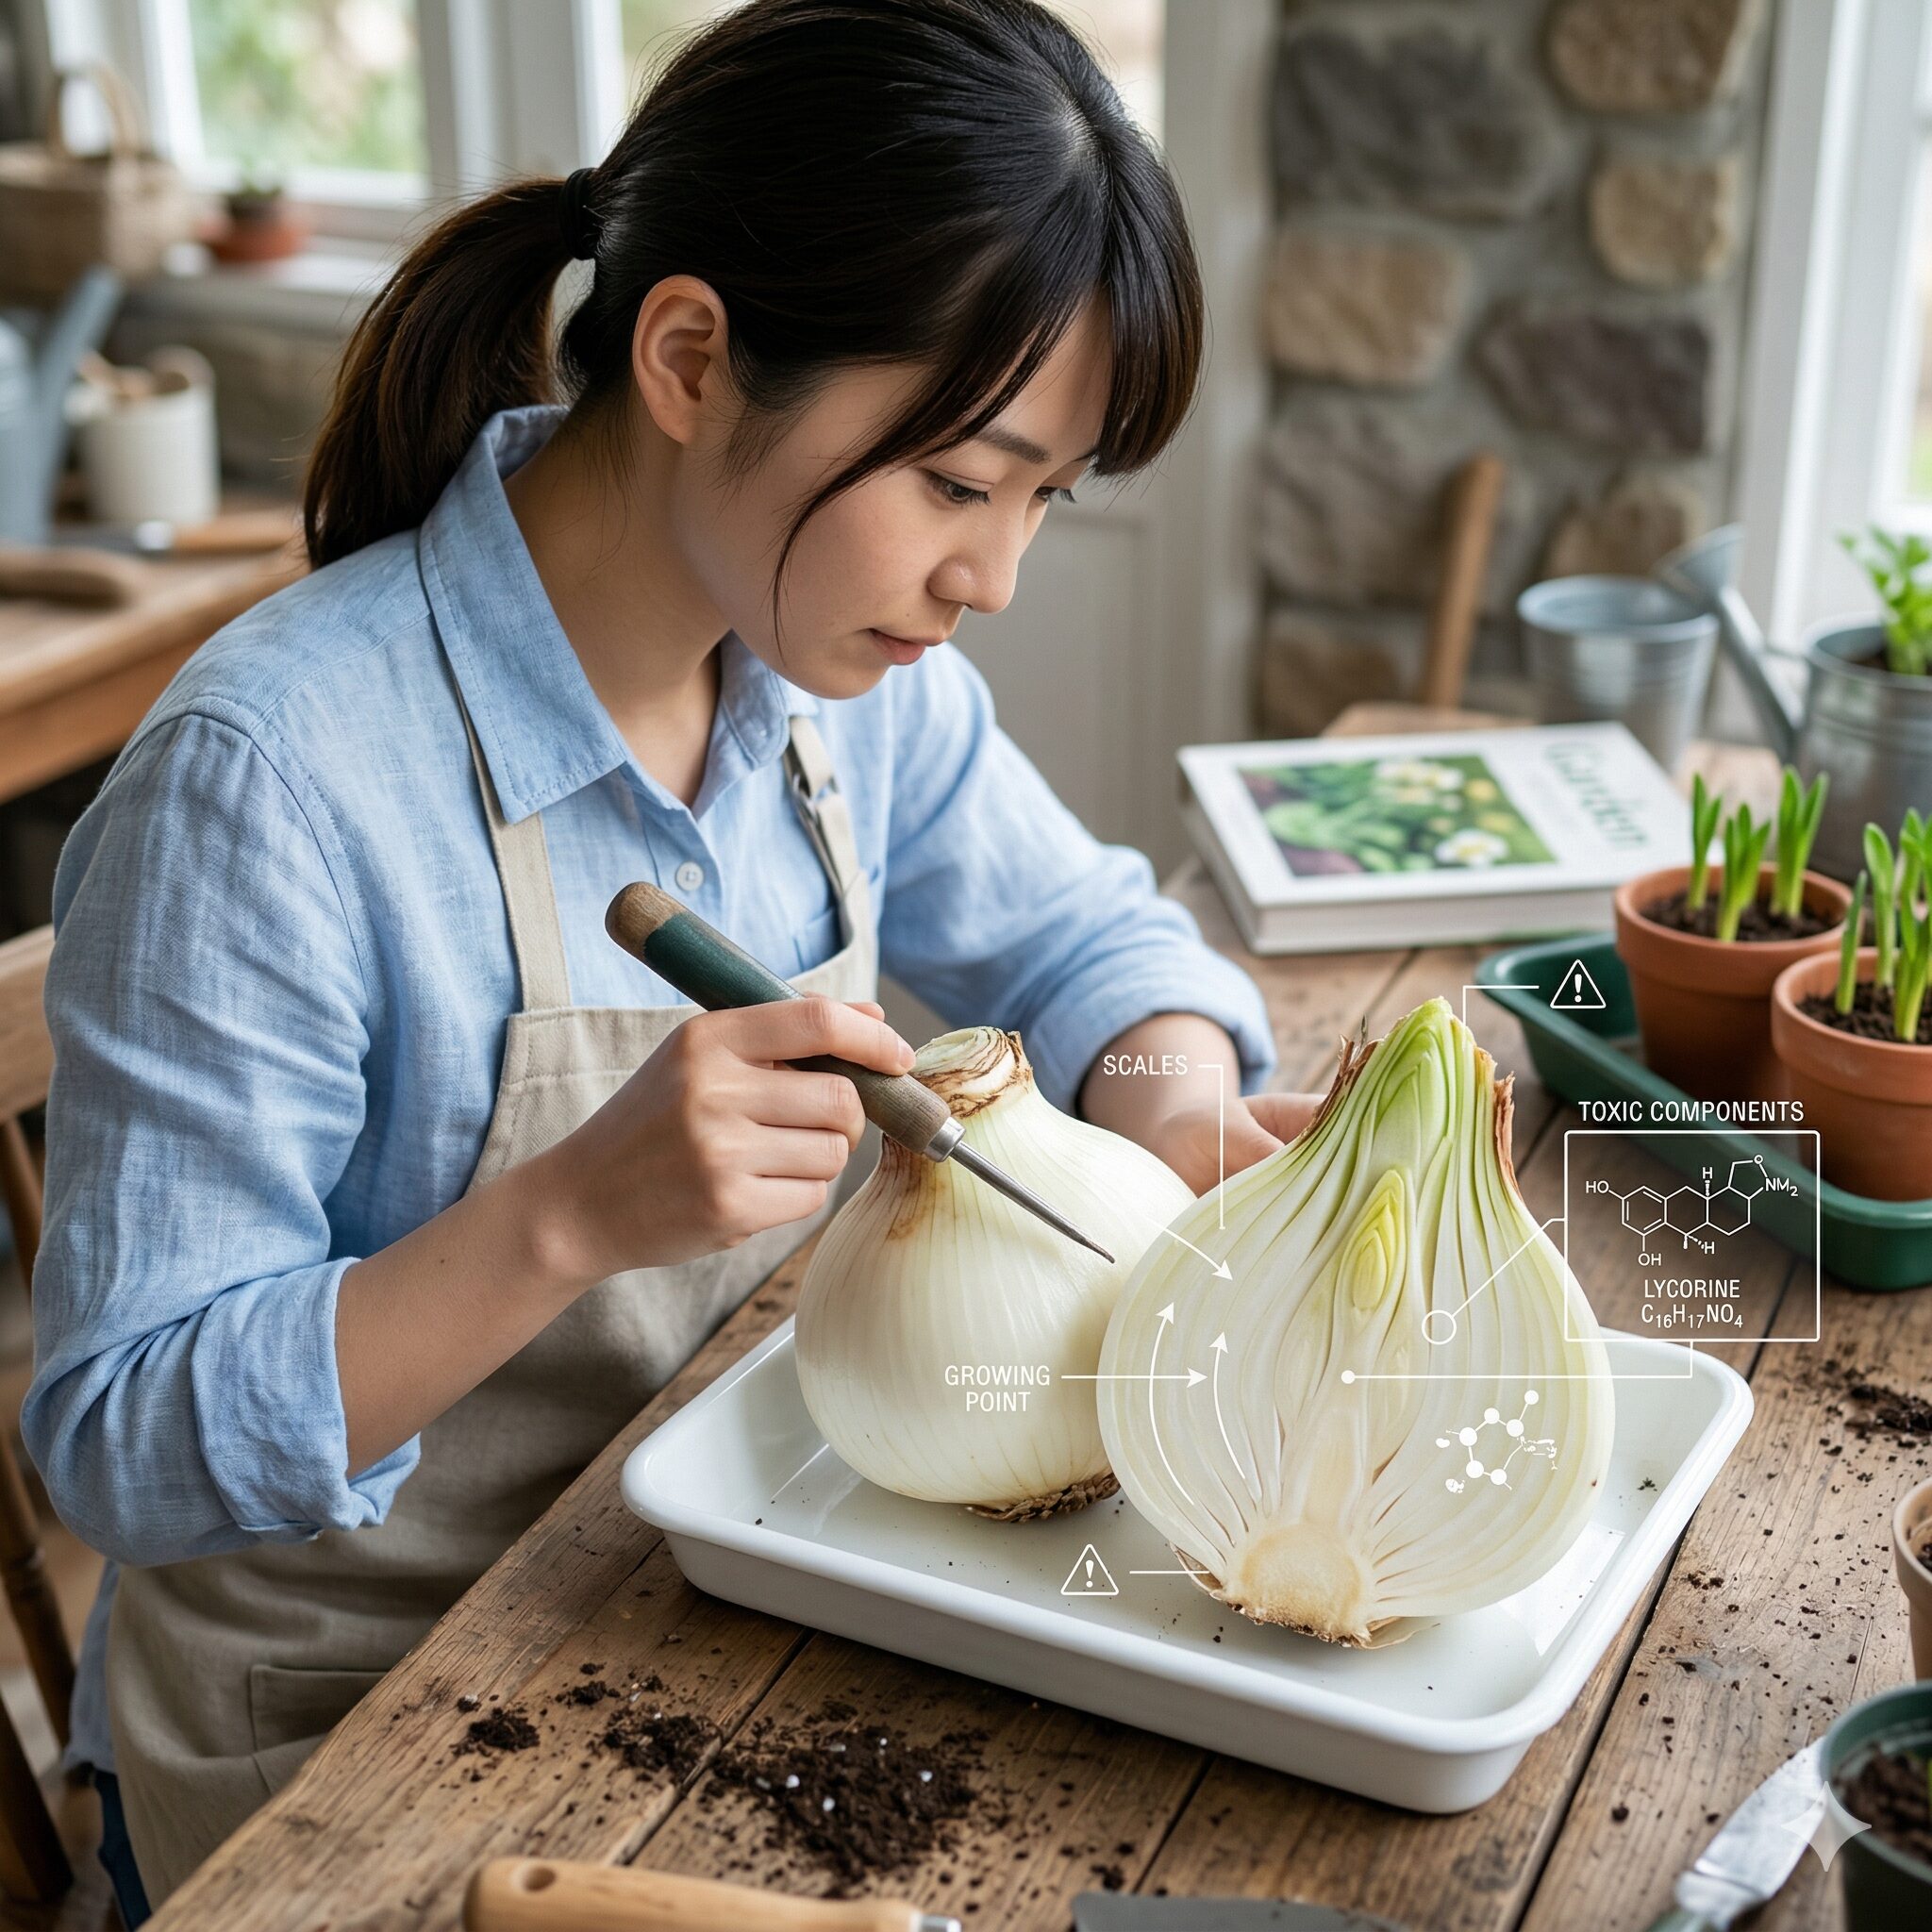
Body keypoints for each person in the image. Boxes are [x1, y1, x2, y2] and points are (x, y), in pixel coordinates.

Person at [23, 0, 1315, 1916]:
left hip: (713, 1603)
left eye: (1046, 498)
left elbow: (1097, 936)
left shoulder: (835, 672)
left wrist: (1167, 1123)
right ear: (695, 357)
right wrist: (563, 1214)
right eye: (959, 484)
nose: (996, 578)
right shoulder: (272, 780)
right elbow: (119, 1442)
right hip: (354, 1738)